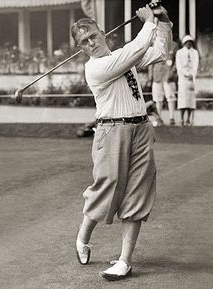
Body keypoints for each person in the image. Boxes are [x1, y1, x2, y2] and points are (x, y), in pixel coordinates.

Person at [71, 2, 172, 281]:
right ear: (81, 49)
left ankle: (125, 261)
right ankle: (83, 238)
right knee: (107, 189)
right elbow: (136, 49)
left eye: (93, 36)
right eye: (84, 42)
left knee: (138, 191)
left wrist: (162, 22)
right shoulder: (96, 68)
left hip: (140, 127)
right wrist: (148, 21)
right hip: (110, 131)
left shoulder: (122, 56)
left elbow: (161, 51)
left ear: (103, 33)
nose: (91, 43)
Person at [148, 40, 178, 125]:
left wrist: (172, 72)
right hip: (157, 74)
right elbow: (150, 61)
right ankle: (159, 118)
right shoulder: (154, 44)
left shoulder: (174, 45)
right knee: (157, 98)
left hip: (168, 75)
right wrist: (150, 75)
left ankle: (172, 117)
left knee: (170, 96)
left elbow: (176, 60)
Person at [176, 35, 199, 126]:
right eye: (187, 42)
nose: (189, 43)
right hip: (182, 78)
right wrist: (185, 74)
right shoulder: (179, 52)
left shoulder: (195, 52)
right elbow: (179, 66)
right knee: (182, 99)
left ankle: (188, 119)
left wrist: (192, 74)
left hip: (191, 78)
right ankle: (181, 118)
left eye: (190, 42)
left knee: (190, 99)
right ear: (184, 43)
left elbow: (196, 65)